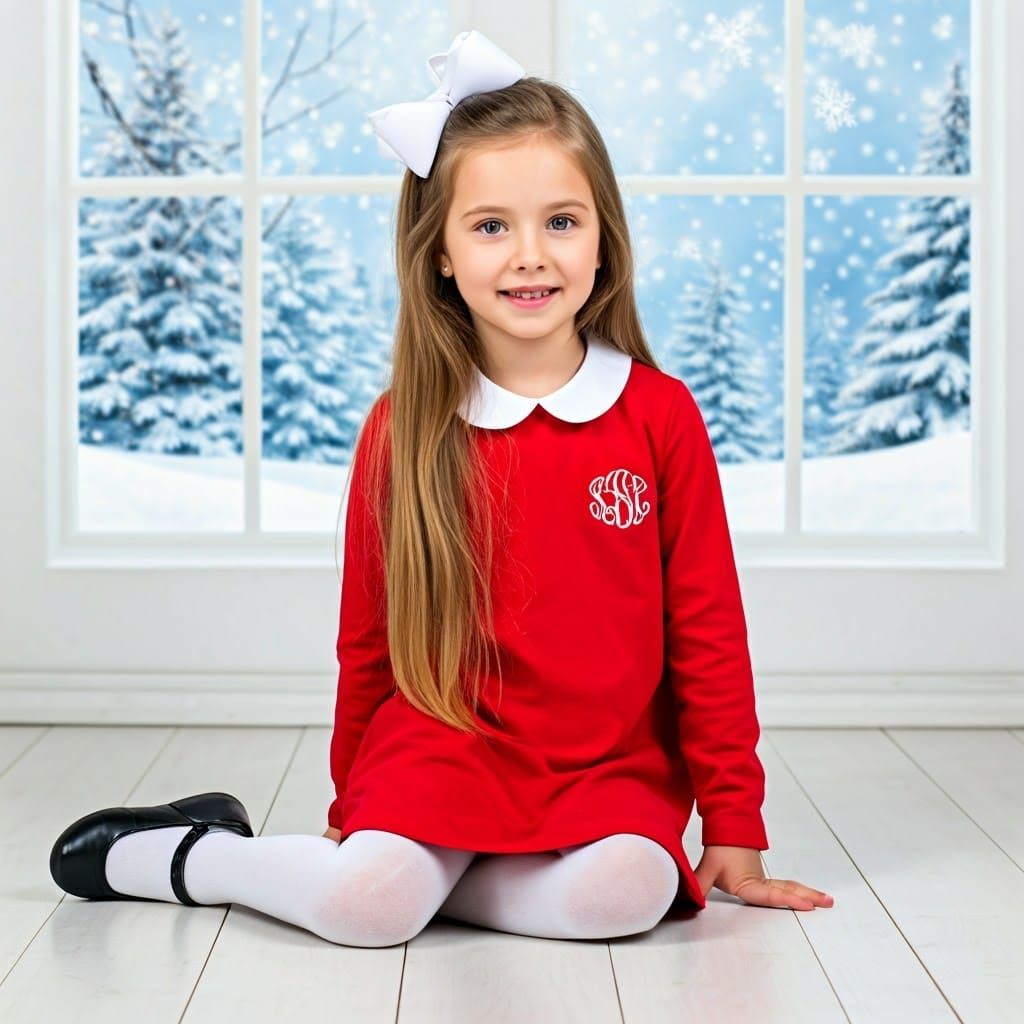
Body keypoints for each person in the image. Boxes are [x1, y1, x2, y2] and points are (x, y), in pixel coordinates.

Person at [50, 29, 833, 949]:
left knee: (627, 896)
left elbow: (707, 628)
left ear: (604, 239)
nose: (530, 254)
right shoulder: (407, 426)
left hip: (607, 766)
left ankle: (439, 871)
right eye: (491, 225)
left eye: (562, 221)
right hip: (444, 749)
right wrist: (353, 799)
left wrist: (734, 825)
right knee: (367, 912)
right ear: (442, 255)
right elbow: (368, 638)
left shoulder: (658, 415)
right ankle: (188, 854)